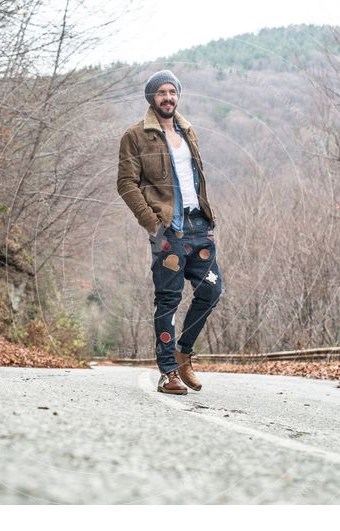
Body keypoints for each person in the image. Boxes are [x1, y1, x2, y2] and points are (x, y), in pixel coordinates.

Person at [117, 70, 223, 395]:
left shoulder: (188, 131)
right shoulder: (135, 136)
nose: (168, 98)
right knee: (168, 300)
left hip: (198, 226)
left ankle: (183, 354)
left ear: (178, 96)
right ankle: (167, 372)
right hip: (168, 229)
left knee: (211, 291)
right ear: (152, 98)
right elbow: (126, 184)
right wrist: (152, 222)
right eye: (161, 92)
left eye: (172, 92)